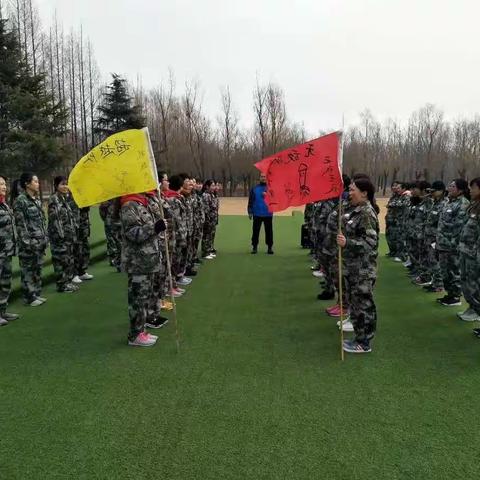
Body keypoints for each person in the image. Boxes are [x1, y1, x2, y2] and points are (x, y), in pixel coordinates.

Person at [337, 177, 379, 354]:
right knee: (355, 304)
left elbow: (370, 242)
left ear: (364, 193)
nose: (349, 192)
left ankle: (364, 343)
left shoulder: (367, 213)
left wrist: (348, 243)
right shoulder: (356, 210)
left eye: (353, 189)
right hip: (352, 267)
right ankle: (358, 338)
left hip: (363, 270)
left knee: (364, 306)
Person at [120, 190, 167, 347]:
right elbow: (132, 233)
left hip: (149, 259)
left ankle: (141, 330)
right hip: (137, 262)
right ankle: (134, 335)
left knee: (145, 299)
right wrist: (154, 228)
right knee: (137, 300)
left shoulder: (143, 202)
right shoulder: (129, 205)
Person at [13, 173, 48, 307]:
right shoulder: (21, 201)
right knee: (27, 270)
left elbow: (41, 221)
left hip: (39, 241)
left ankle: (36, 294)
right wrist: (29, 243)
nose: (38, 184)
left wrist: (45, 238)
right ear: (27, 184)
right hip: (28, 244)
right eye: (35, 181)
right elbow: (21, 225)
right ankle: (29, 297)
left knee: (37, 269)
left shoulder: (37, 201)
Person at [436, 179, 470, 306]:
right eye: (449, 185)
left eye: (452, 186)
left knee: (453, 271)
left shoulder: (463, 204)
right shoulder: (449, 202)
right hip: (443, 243)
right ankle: (450, 294)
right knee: (445, 271)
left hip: (452, 245)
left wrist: (453, 246)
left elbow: (458, 227)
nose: (449, 188)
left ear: (460, 190)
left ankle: (455, 297)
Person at [48, 176, 78, 293]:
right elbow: (54, 220)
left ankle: (67, 282)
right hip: (59, 238)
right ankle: (62, 284)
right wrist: (61, 236)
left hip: (67, 236)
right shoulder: (54, 200)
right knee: (60, 261)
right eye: (62, 184)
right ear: (56, 186)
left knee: (68, 260)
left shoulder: (64, 199)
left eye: (66, 184)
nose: (65, 186)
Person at [458, 178, 480, 323]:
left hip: (475, 254)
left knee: (475, 284)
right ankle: (472, 307)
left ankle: (477, 310)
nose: (470, 190)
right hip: (466, 251)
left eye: (473, 188)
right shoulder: (473, 206)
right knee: (465, 281)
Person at [0, 175, 20, 325]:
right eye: (1, 184)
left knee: (5, 282)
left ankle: (2, 311)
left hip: (6, 251)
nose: (4, 187)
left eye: (4, 184)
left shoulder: (5, 205)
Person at [421, 181, 447, 293]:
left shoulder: (444, 204)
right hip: (429, 236)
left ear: (441, 191)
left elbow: (442, 222)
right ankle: (435, 282)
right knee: (430, 260)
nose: (432, 193)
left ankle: (439, 285)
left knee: (435, 261)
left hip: (436, 237)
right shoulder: (434, 203)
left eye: (434, 191)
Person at [67, 193, 93, 283]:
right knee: (76, 250)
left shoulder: (83, 195)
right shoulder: (71, 198)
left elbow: (85, 210)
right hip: (76, 228)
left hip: (83, 226)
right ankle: (74, 273)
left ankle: (82, 271)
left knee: (84, 249)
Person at [248, 173, 273, 254]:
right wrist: (250, 211)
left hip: (268, 213)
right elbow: (250, 201)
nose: (263, 178)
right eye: (262, 176)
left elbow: (275, 199)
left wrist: (267, 195)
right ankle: (254, 247)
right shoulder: (254, 189)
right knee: (255, 231)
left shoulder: (271, 188)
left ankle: (269, 247)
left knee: (269, 231)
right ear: (259, 178)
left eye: (265, 176)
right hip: (257, 213)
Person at [99, 198, 122, 271]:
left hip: (118, 222)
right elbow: (102, 211)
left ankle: (118, 260)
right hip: (110, 222)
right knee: (111, 241)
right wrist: (106, 219)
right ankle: (113, 259)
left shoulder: (119, 198)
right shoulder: (106, 200)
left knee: (118, 241)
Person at [201, 180, 217, 259]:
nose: (214, 188)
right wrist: (208, 220)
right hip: (208, 220)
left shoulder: (212, 195)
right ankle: (205, 252)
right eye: (212, 186)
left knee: (211, 235)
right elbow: (206, 209)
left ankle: (209, 249)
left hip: (213, 219)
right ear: (207, 186)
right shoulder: (205, 195)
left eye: (214, 186)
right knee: (206, 236)